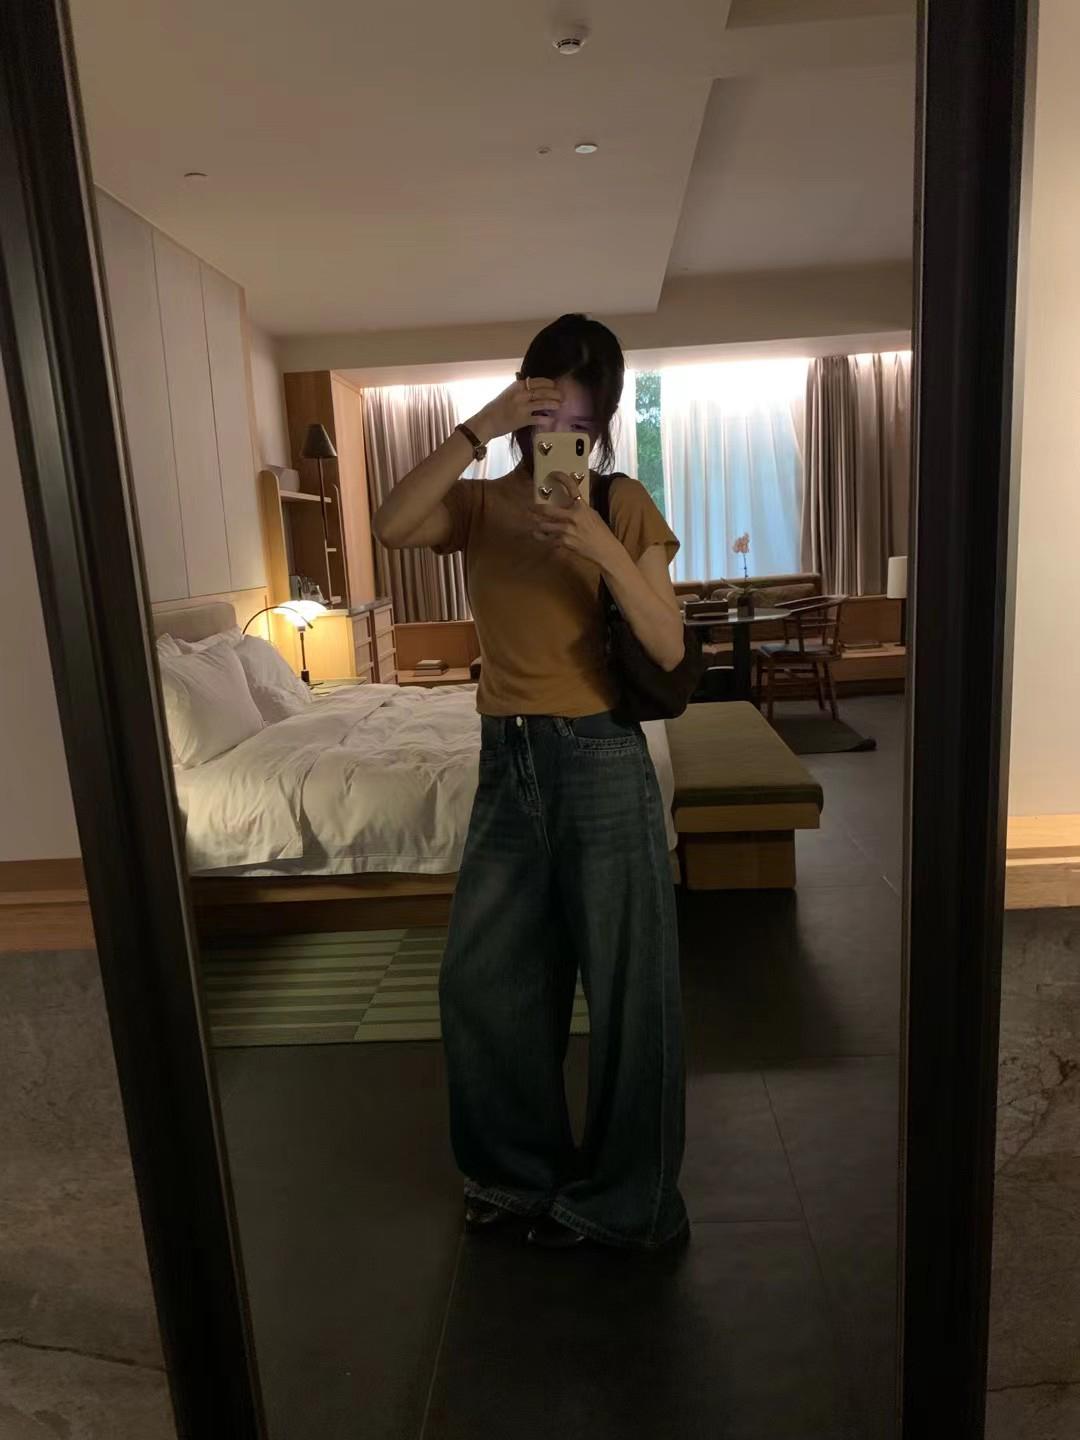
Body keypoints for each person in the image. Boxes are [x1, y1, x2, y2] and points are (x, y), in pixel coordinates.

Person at [372, 314, 688, 1252]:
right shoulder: (478, 507)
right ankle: (516, 1176)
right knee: (485, 978)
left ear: (606, 424)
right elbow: (392, 523)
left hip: (599, 757)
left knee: (629, 989)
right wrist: (479, 427)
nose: (563, 443)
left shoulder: (623, 504)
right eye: (547, 418)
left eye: (582, 427)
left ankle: (633, 1204)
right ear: (523, 407)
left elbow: (669, 646)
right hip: (505, 759)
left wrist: (598, 545)